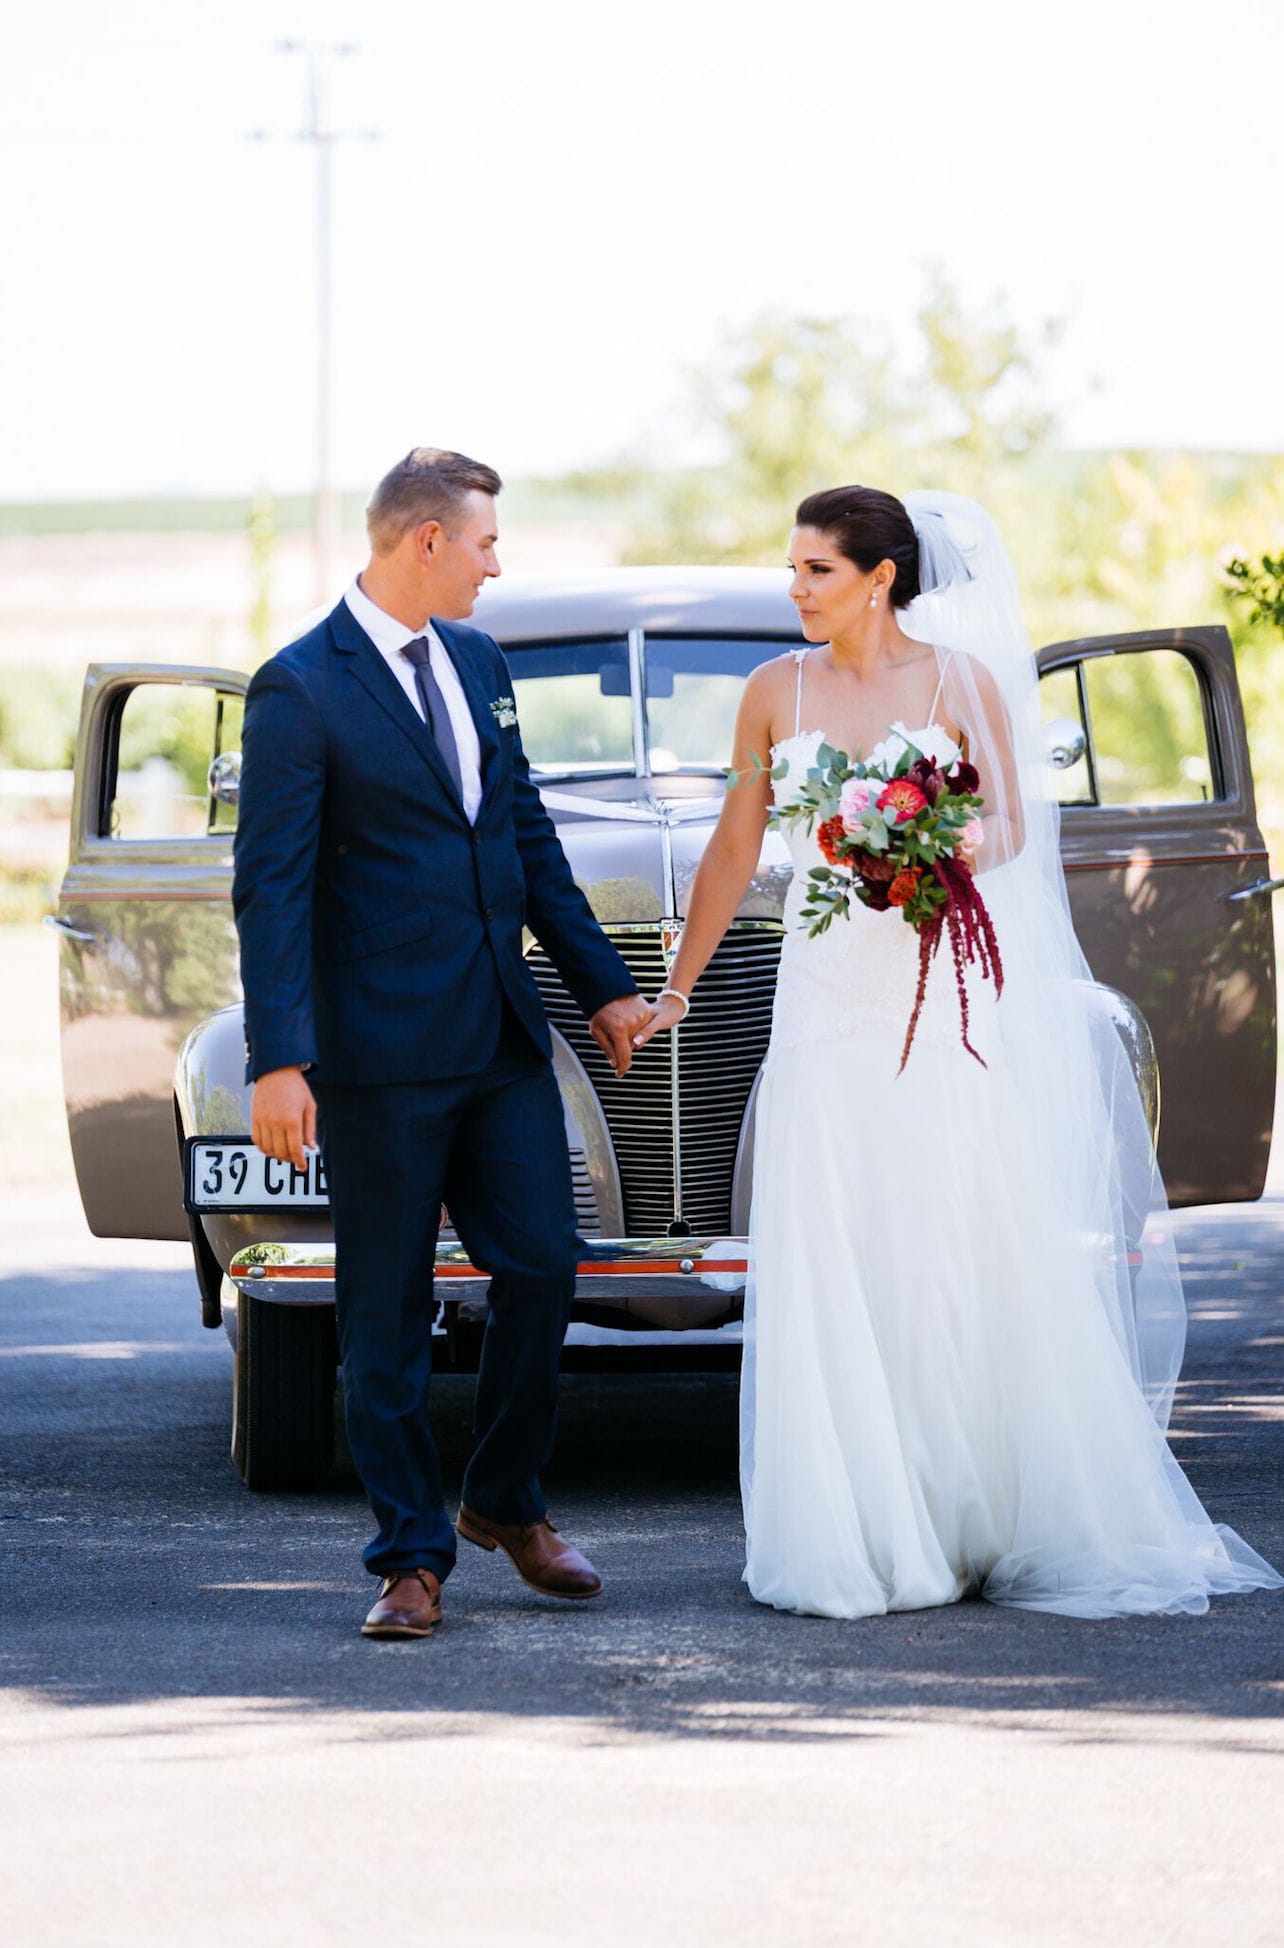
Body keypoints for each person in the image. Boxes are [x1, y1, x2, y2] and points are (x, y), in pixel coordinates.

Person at [636, 485, 1282, 1619]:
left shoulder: (960, 683)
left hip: (940, 1001)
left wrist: (928, 847)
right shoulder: (768, 693)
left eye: (814, 571)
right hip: (827, 1002)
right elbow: (739, 843)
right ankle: (863, 1529)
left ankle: (970, 1507)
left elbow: (1015, 827)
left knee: (944, 1236)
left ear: (879, 577)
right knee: (838, 1239)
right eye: (791, 569)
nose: (794, 589)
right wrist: (679, 986)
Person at [233, 447, 653, 1640]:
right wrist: (279, 1059)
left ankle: (505, 1506)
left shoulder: (477, 659)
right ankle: (410, 1554)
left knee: (541, 1268)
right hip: (374, 1058)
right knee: (383, 1313)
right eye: (483, 543)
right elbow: (270, 887)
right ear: (424, 541)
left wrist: (605, 988)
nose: (495, 563)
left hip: (500, 1038)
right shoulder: (299, 688)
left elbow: (522, 834)